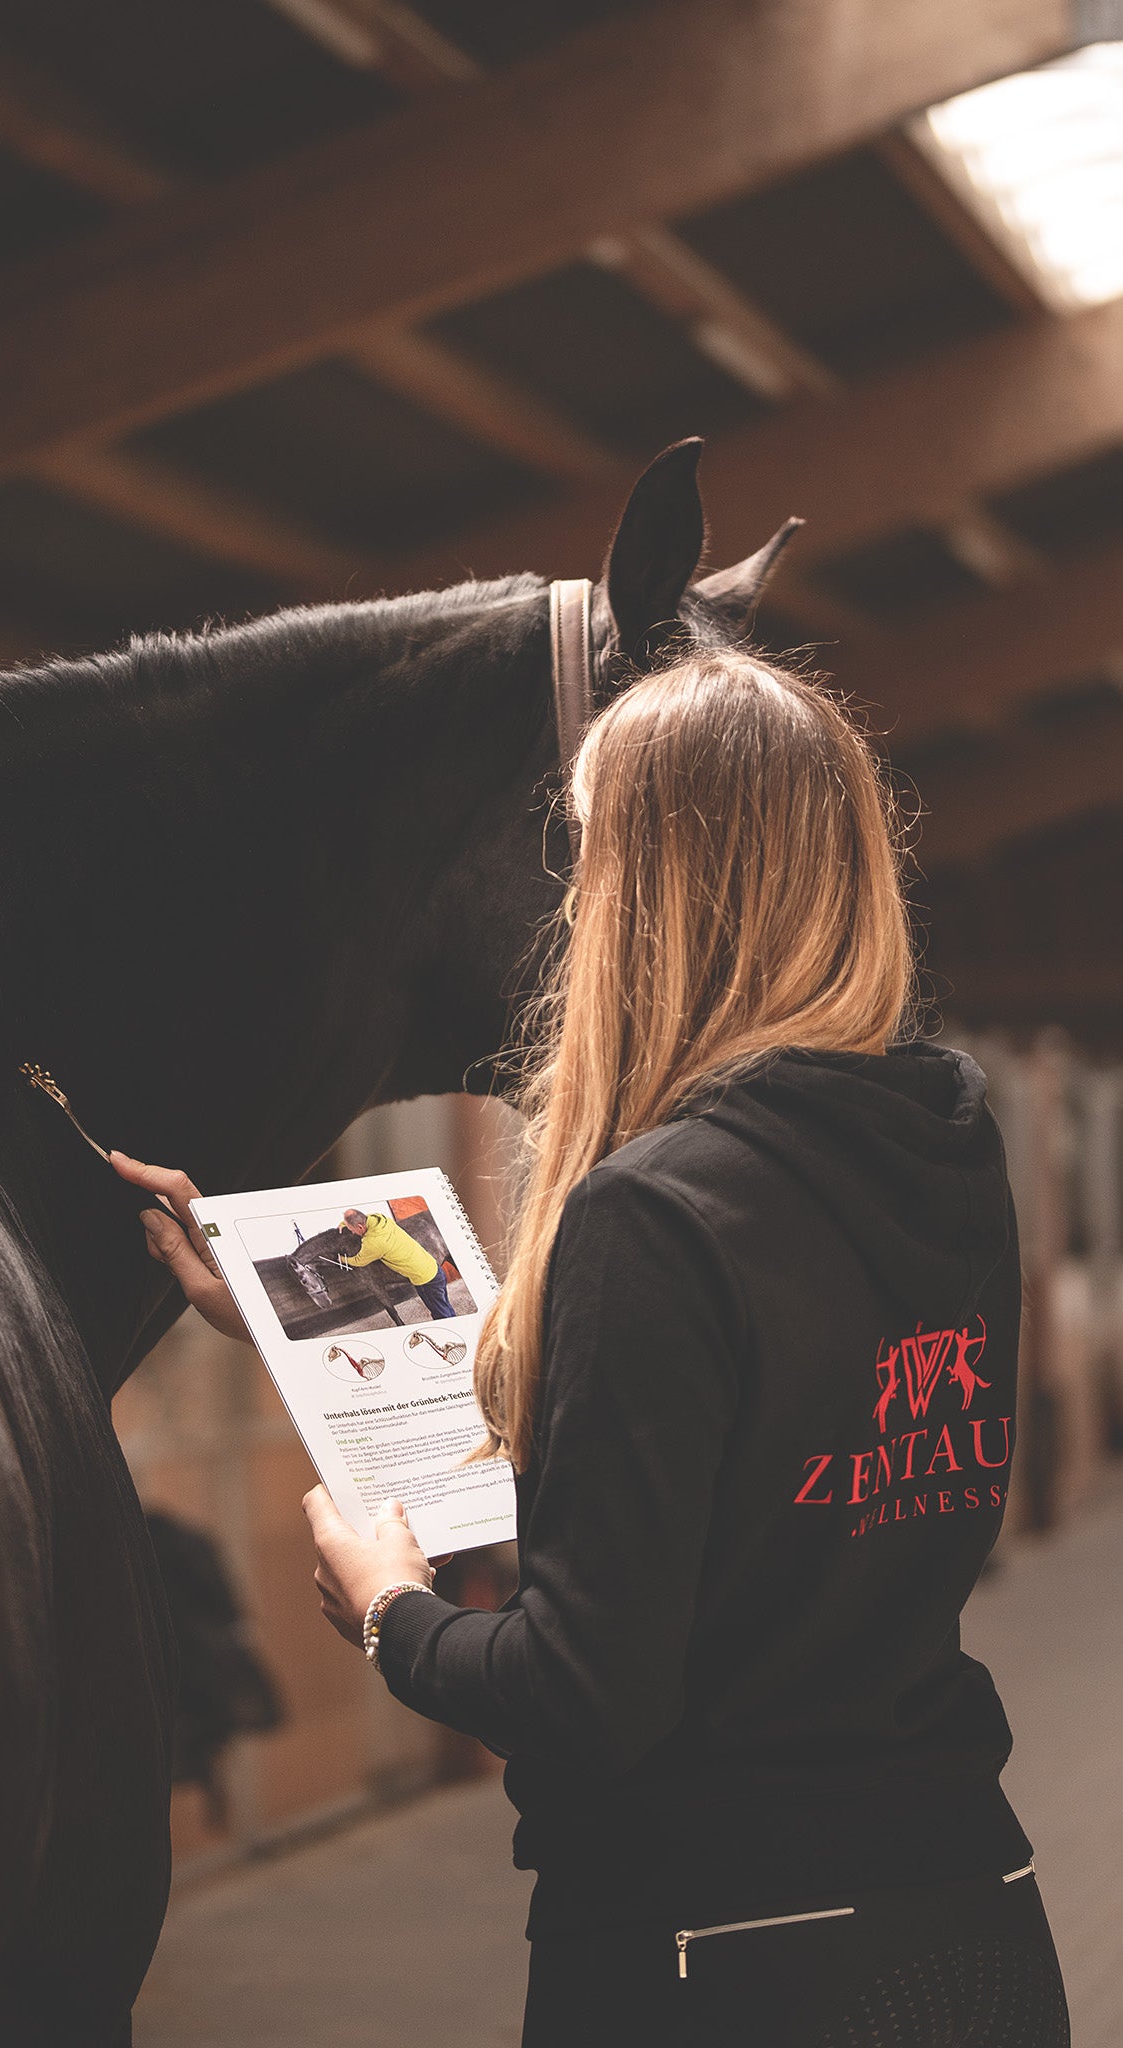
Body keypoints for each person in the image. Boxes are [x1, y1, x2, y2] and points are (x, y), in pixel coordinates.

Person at [110, 649, 1069, 2047]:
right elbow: (701, 1439)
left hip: (721, 1958)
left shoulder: (653, 1209)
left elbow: (584, 1696)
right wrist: (296, 1315)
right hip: (970, 1907)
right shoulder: (943, 1146)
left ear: (645, 881)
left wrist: (394, 1614)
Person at [338, 1204, 456, 1319]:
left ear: (360, 1227)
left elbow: (359, 1261)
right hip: (434, 1269)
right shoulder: (381, 1219)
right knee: (444, 1306)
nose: (352, 1233)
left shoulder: (373, 1243)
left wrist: (342, 1259)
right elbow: (361, 1217)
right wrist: (344, 1223)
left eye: (352, 1230)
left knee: (441, 1314)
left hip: (426, 1281)